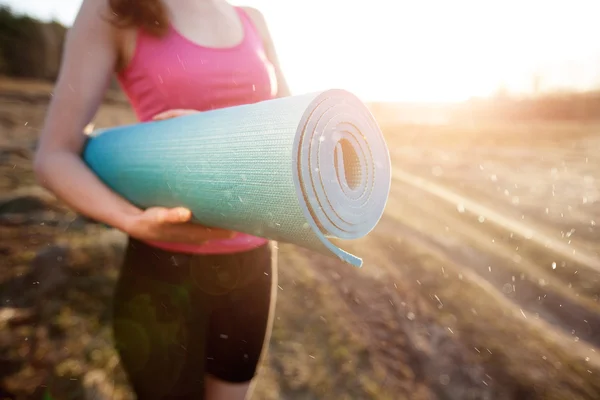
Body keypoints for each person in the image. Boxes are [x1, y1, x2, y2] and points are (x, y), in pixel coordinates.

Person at [33, 0, 290, 398]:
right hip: (163, 272)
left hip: (252, 268)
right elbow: (54, 154)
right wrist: (129, 219)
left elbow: (289, 134)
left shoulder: (251, 19)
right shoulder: (113, 8)